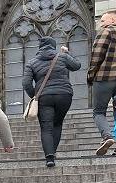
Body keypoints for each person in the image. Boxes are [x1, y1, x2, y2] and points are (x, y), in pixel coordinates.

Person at [23, 37, 82, 167]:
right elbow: (77, 65)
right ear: (53, 46)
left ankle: (49, 157)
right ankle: (53, 151)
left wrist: (35, 96)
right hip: (64, 95)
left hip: (44, 98)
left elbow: (26, 83)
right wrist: (67, 52)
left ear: (40, 47)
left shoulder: (32, 62)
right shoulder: (62, 57)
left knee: (46, 127)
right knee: (57, 123)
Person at [88, 10, 116, 155]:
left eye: (103, 20)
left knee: (98, 112)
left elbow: (96, 55)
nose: (101, 24)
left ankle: (107, 136)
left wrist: (90, 75)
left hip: (104, 78)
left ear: (114, 20)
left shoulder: (106, 32)